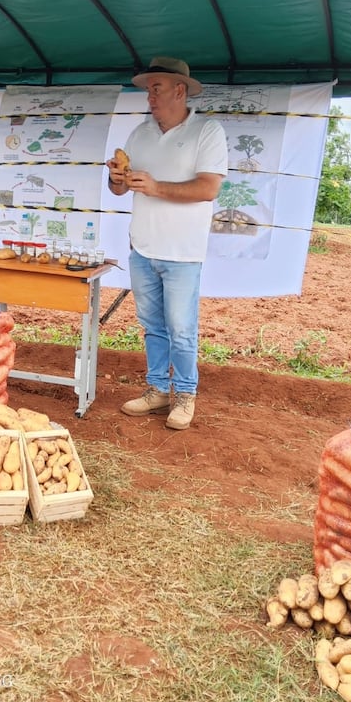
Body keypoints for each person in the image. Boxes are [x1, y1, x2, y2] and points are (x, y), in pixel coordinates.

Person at [107, 56, 228, 430]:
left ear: (180, 90)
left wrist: (157, 187)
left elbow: (208, 189)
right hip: (142, 247)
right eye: (148, 90)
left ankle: (186, 395)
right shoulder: (139, 133)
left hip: (182, 253)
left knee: (180, 328)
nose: (150, 97)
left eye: (156, 89)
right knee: (152, 326)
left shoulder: (207, 131)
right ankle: (158, 390)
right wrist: (116, 178)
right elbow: (117, 190)